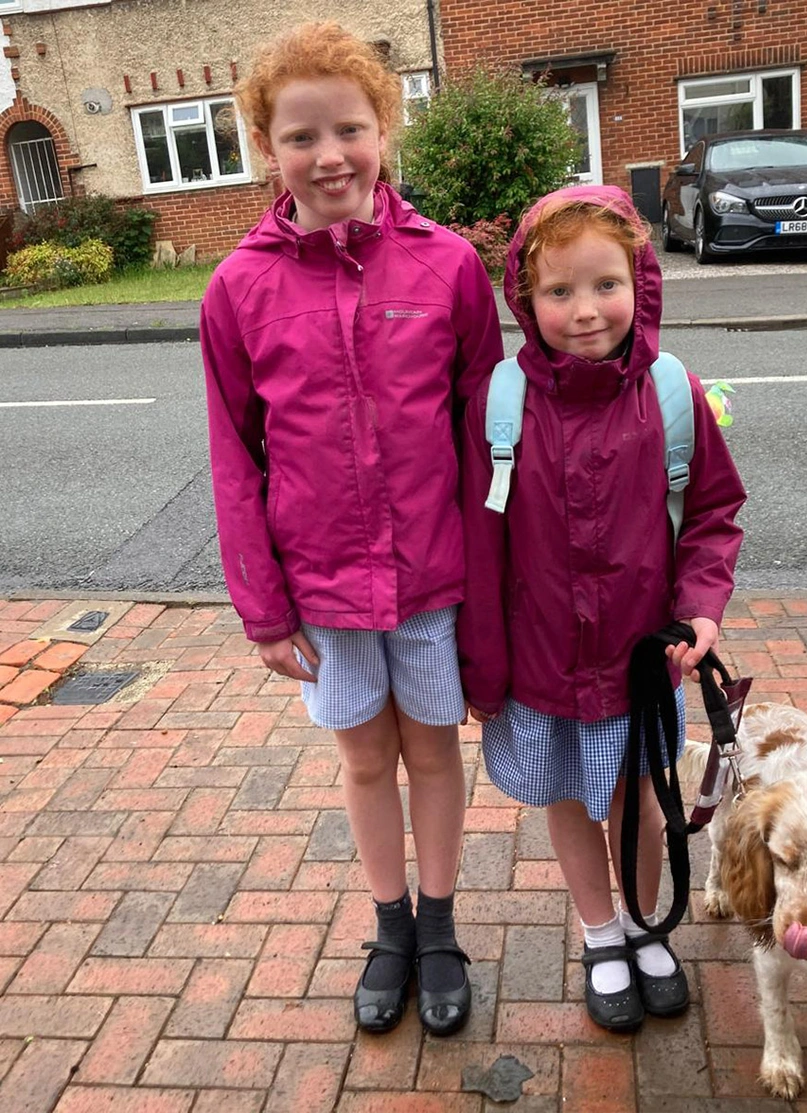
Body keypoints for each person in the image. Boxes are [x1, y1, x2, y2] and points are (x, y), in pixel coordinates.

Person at [200, 21, 503, 1037]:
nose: (329, 156)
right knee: (365, 762)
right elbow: (235, 457)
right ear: (265, 148)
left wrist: (489, 580)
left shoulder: (450, 267)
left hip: (430, 583)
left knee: (432, 755)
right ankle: (390, 925)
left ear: (385, 129)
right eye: (300, 136)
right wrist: (261, 608)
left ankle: (442, 926)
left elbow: (483, 441)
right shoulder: (238, 288)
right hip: (322, 591)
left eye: (350, 129)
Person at [457, 186, 745, 1032]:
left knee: (639, 797)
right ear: (526, 297)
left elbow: (712, 512)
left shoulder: (671, 394)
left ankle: (649, 926)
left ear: (640, 282)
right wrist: (484, 661)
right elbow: (480, 542)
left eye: (605, 285)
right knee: (568, 798)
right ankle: (599, 930)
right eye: (559, 292)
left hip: (639, 657)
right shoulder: (500, 403)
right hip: (540, 656)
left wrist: (700, 606)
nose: (585, 311)